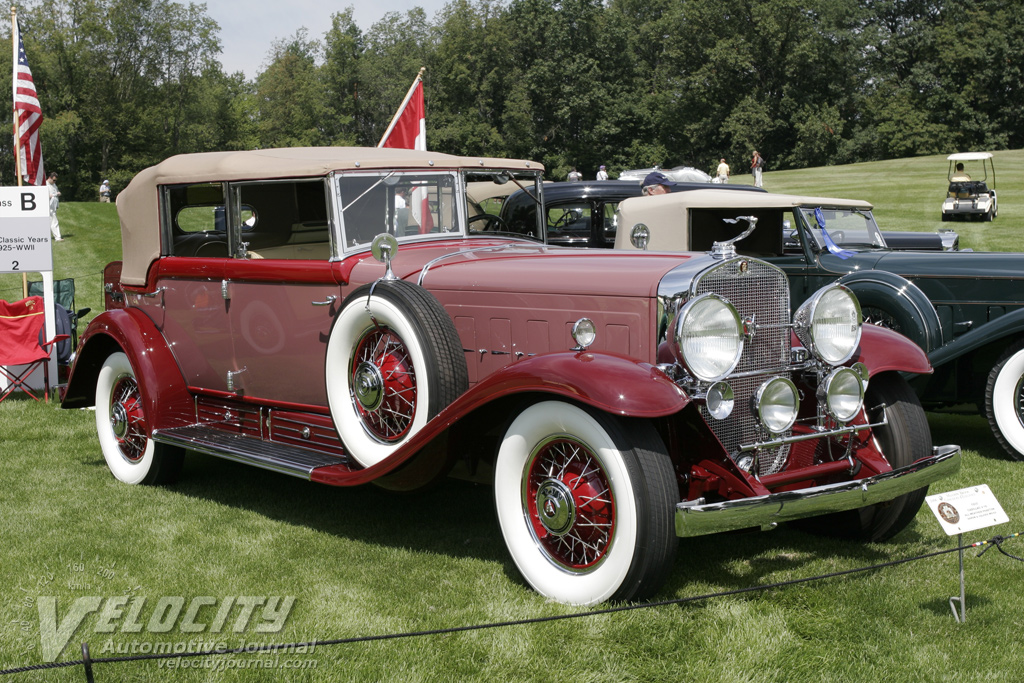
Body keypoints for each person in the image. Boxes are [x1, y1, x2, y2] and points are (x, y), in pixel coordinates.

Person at [46, 172, 63, 241]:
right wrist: (51, 195)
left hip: (53, 206)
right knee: (54, 221)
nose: (54, 182)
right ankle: (57, 237)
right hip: (49, 206)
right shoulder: (45, 185)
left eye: (55, 180)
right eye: (54, 180)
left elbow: (56, 191)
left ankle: (47, 236)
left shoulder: (54, 184)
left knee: (51, 221)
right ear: (49, 178)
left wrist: (58, 193)